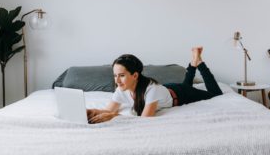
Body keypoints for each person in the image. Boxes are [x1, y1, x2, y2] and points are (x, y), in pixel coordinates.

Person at [87, 47, 223, 124]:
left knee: (215, 94)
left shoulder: (151, 90)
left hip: (180, 95)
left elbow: (145, 120)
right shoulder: (121, 88)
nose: (117, 81)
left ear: (135, 75)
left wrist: (114, 117)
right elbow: (108, 110)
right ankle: (192, 64)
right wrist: (89, 111)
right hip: (167, 90)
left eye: (121, 75)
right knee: (187, 84)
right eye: (115, 75)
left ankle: (199, 63)